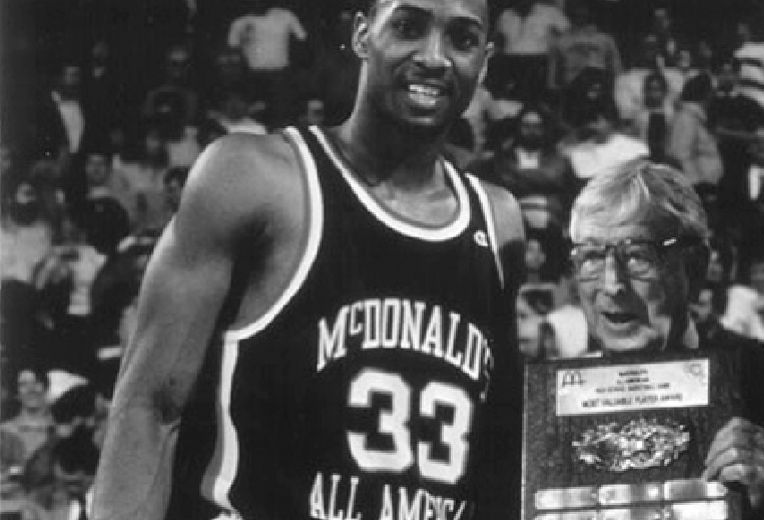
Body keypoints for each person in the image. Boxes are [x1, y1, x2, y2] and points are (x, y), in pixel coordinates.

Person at [92, 0, 525, 519]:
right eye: (408, 27)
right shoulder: (255, 178)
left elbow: (498, 457)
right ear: (362, 35)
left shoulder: (499, 221)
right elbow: (150, 407)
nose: (433, 56)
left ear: (485, 61)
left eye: (461, 38)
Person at [566, 160, 764, 519]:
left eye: (638, 256)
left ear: (695, 268)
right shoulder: (545, 406)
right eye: (591, 257)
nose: (612, 284)